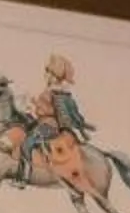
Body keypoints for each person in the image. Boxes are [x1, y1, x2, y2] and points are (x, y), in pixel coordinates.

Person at [14, 52, 97, 184]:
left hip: (48, 126)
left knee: (26, 144)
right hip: (42, 123)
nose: (45, 76)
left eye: (48, 73)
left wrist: (35, 105)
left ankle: (24, 177)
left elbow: (56, 113)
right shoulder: (52, 91)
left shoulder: (56, 93)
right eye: (47, 72)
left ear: (55, 77)